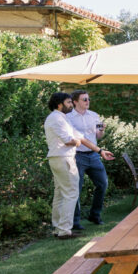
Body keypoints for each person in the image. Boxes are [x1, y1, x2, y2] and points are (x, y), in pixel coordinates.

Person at [66, 90, 114, 227]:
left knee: (103, 184)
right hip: (77, 156)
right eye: (84, 99)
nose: (88, 102)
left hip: (93, 155)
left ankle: (95, 215)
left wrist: (102, 129)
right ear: (75, 102)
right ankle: (75, 221)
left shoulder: (94, 115)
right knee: (77, 188)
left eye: (88, 99)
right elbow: (76, 138)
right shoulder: (68, 117)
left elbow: (98, 136)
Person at [44, 92, 84, 239]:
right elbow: (69, 140)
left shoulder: (61, 118)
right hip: (63, 158)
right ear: (59, 104)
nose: (71, 105)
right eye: (68, 102)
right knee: (71, 193)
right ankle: (65, 230)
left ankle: (58, 227)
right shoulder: (56, 118)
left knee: (60, 193)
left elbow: (77, 135)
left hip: (59, 158)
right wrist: (77, 142)